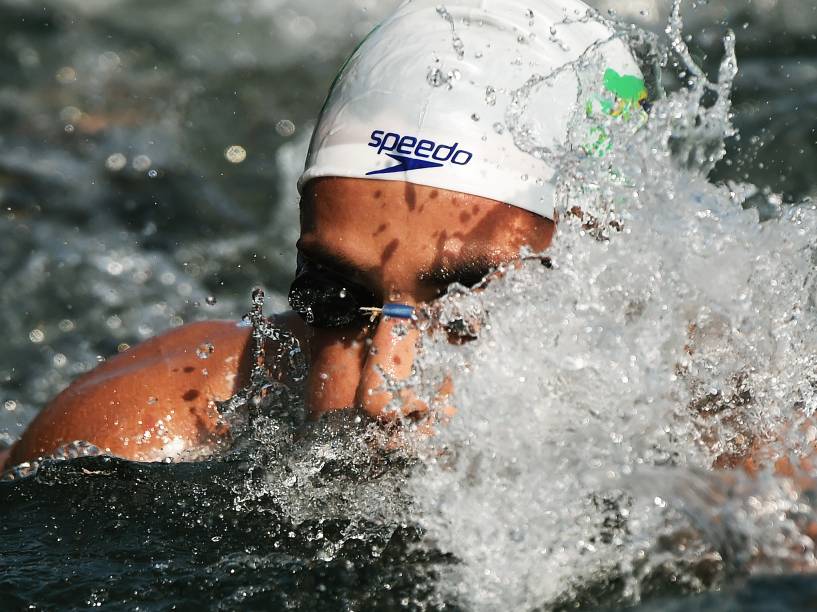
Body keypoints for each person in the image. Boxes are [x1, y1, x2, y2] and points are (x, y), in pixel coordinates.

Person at [1, 0, 646, 471]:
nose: (380, 393)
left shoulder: (718, 457)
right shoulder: (133, 437)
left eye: (466, 309)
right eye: (335, 298)